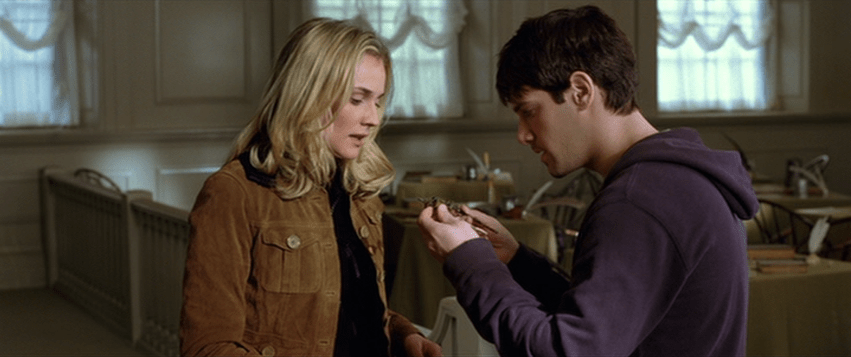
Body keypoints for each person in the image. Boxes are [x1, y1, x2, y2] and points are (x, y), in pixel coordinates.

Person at [417, 5, 759, 357]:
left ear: (581, 90)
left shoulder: (638, 201)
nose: (522, 135)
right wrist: (516, 261)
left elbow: (563, 350)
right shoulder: (674, 180)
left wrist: (469, 260)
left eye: (528, 111)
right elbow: (609, 326)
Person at [180, 17, 442, 357]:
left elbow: (344, 310)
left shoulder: (359, 194)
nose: (373, 118)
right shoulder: (235, 192)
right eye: (357, 98)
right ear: (310, 96)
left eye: (377, 101)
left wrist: (404, 336)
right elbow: (207, 347)